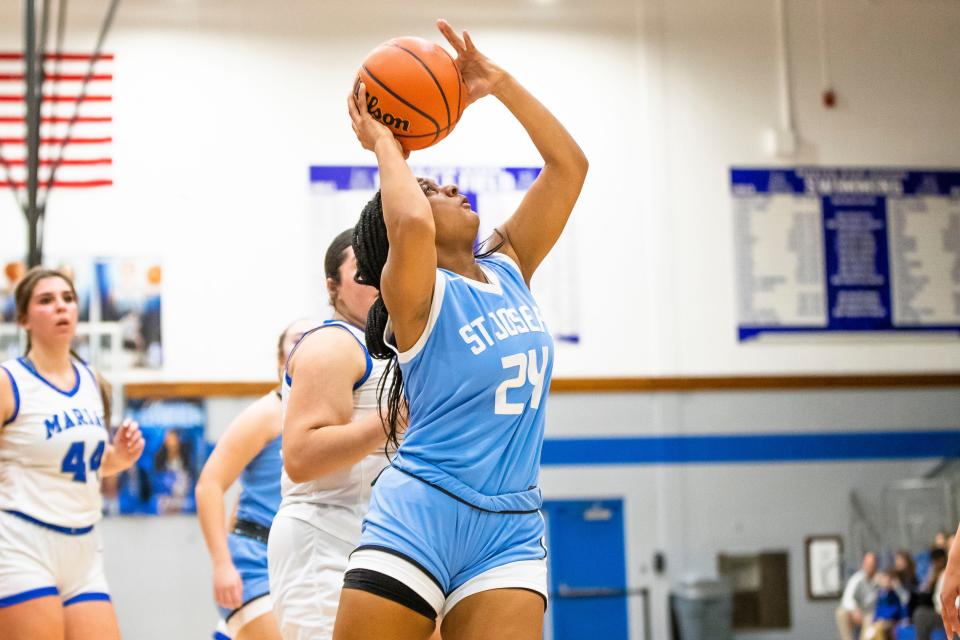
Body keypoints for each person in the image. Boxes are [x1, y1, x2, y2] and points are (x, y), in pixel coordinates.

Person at [336, 18, 587, 640]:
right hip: (419, 516)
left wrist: (498, 83)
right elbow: (413, 229)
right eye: (430, 188)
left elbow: (568, 167)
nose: (450, 186)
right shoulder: (413, 298)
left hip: (510, 526)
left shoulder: (509, 267)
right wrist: (386, 144)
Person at [268, 229, 409, 640]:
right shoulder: (332, 344)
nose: (378, 283)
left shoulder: (395, 345)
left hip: (383, 538)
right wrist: (390, 419)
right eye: (362, 274)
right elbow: (301, 458)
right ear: (333, 288)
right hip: (323, 539)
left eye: (384, 268)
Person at [0, 266, 145, 640]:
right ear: (23, 319)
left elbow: (92, 464)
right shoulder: (8, 381)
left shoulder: (93, 381)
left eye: (67, 299)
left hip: (82, 544)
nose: (61, 307)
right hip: (21, 541)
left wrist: (121, 457)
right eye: (46, 301)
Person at [196, 319, 315, 640]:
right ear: (280, 361)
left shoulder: (331, 413)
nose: (307, 343)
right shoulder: (266, 414)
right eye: (297, 338)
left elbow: (258, 490)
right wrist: (222, 565)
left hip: (306, 557)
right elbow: (209, 485)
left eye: (314, 336)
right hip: (256, 557)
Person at [836, 552, 879, 640]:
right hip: (859, 611)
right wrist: (855, 610)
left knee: (869, 620)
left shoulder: (880, 579)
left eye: (872, 564)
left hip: (873, 612)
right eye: (868, 564)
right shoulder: (858, 579)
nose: (870, 567)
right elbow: (848, 599)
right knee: (841, 613)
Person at [912, 547, 947, 640]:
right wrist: (931, 578)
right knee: (920, 613)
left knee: (921, 615)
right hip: (939, 612)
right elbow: (923, 590)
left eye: (936, 560)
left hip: (948, 614)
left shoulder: (947, 574)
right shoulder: (935, 574)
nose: (935, 563)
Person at [861, 570, 904, 640]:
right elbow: (869, 603)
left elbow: (896, 609)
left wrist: (883, 618)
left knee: (878, 627)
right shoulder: (880, 593)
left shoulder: (894, 595)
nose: (886, 583)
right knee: (867, 621)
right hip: (879, 620)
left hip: (891, 621)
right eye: (884, 580)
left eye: (888, 580)